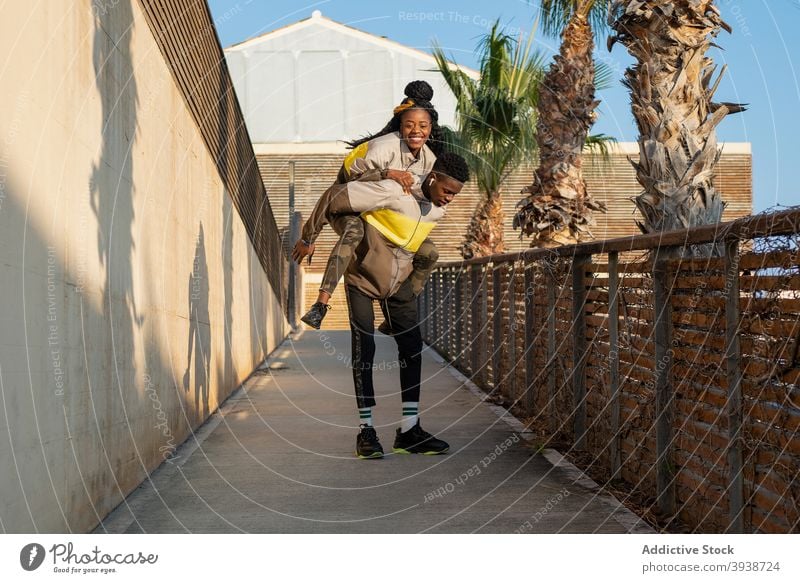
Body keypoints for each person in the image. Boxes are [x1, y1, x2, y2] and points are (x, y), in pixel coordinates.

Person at [294, 152, 470, 459]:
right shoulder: (393, 191)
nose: (450, 199)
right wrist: (309, 236)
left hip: (397, 286)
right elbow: (334, 196)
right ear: (432, 178)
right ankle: (367, 432)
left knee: (412, 349)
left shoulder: (436, 211)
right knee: (366, 348)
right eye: (447, 191)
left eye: (455, 195)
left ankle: (409, 431)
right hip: (362, 279)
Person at [292, 80, 445, 330]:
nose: (416, 131)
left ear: (431, 128)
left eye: (423, 126)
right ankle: (320, 305)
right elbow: (341, 190)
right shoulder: (381, 148)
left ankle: (397, 311)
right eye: (409, 125)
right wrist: (308, 238)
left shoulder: (429, 160)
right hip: (348, 205)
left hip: (380, 212)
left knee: (429, 253)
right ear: (400, 126)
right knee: (355, 231)